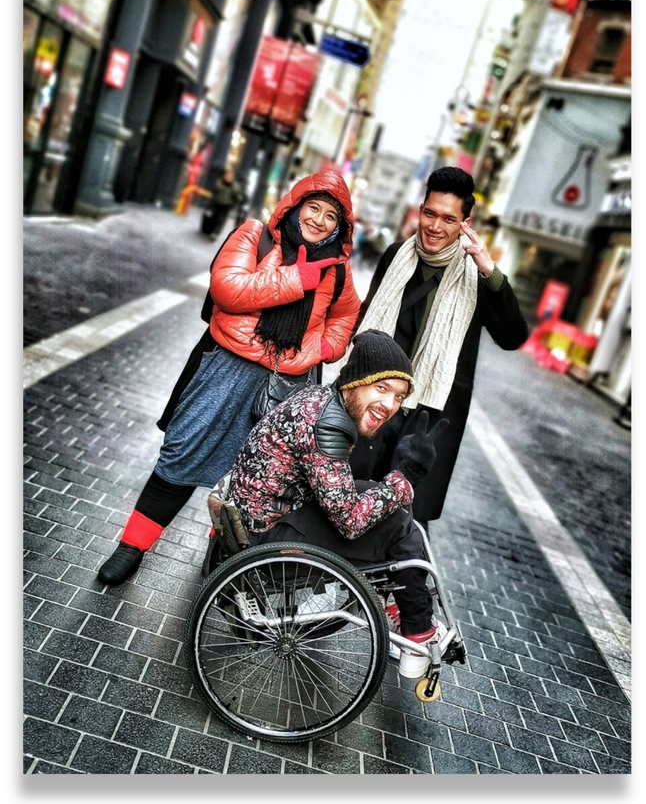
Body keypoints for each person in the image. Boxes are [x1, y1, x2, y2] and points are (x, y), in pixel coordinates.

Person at [98, 171, 361, 585]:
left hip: (288, 383)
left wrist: (324, 349)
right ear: (294, 206)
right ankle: (131, 547)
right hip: (227, 367)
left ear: (340, 228)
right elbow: (227, 287)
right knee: (183, 454)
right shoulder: (254, 236)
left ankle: (220, 567)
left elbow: (346, 315)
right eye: (313, 207)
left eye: (332, 216)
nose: (320, 220)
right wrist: (298, 279)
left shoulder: (337, 271)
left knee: (256, 479)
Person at [226, 329, 451, 680]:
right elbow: (350, 522)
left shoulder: (320, 398)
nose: (390, 405)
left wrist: (392, 488)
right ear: (356, 380)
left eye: (399, 397)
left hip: (265, 513)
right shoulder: (328, 424)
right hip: (268, 541)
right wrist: (408, 474)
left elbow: (339, 492)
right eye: (382, 389)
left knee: (385, 501)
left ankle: (402, 605)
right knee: (399, 527)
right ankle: (418, 630)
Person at [348, 167, 529, 523]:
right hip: (374, 405)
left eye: (448, 218)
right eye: (429, 213)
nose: (435, 226)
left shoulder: (478, 275)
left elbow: (513, 337)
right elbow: (366, 321)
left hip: (428, 417)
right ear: (420, 209)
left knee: (401, 522)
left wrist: (490, 270)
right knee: (348, 501)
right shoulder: (395, 256)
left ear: (465, 222)